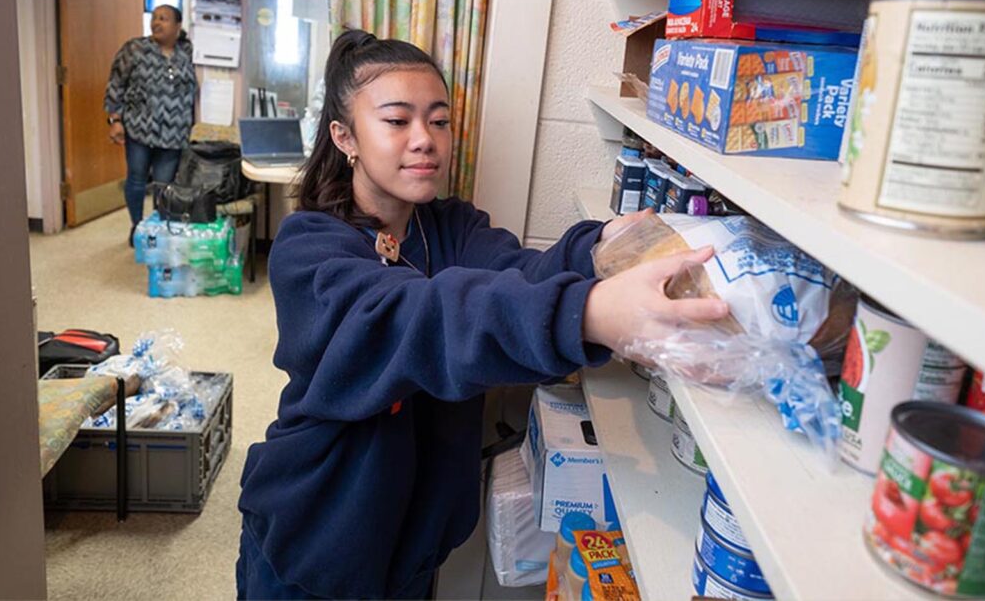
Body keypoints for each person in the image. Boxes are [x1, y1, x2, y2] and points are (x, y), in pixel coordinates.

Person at [236, 30, 728, 599]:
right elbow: (414, 318)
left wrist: (600, 248)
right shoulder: (308, 248)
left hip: (412, 548)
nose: (425, 140)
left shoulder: (449, 226)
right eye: (397, 121)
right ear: (344, 137)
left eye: (439, 121)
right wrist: (586, 312)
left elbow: (519, 274)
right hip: (316, 540)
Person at [104, 4, 197, 245]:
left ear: (178, 26)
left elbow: (190, 92)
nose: (157, 22)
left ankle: (157, 228)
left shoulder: (186, 51)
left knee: (164, 185)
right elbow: (116, 83)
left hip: (174, 132)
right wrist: (114, 120)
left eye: (164, 19)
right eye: (154, 18)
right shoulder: (135, 49)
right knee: (136, 179)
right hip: (139, 127)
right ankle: (137, 225)